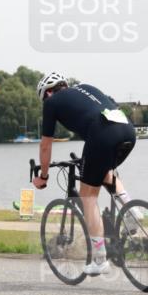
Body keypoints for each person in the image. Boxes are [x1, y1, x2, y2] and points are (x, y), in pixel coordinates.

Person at [32, 72, 138, 275]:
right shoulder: (86, 88)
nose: (46, 101)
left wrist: (44, 176)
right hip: (127, 132)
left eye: (44, 97)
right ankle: (131, 209)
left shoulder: (52, 102)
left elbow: (46, 146)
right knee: (103, 172)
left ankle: (100, 259)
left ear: (49, 92)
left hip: (102, 136)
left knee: (88, 197)